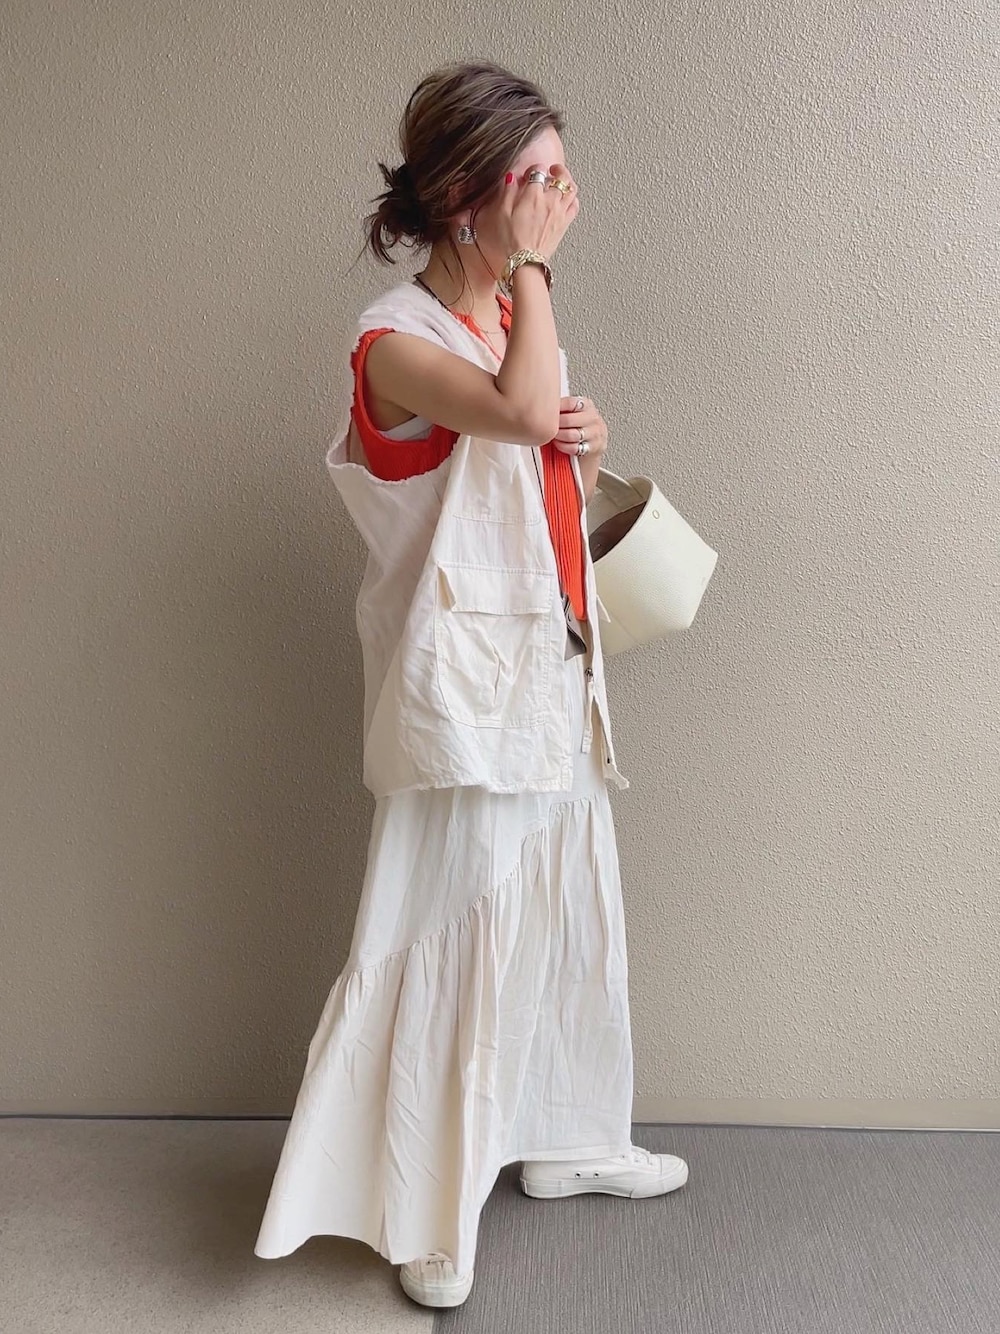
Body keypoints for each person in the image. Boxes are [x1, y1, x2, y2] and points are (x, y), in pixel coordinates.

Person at [253, 60, 689, 1310]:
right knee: (449, 922)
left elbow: (530, 450)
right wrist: (537, 291)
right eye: (532, 179)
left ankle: (565, 1134)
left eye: (562, 176)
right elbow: (513, 415)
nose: (558, 200)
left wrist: (580, 449)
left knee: (564, 902)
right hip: (462, 692)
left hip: (547, 664)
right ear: (462, 196)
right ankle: (420, 1203)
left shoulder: (507, 319)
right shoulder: (393, 338)